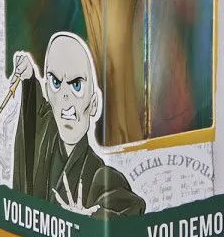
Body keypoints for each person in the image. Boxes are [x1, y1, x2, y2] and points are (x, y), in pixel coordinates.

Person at [10, 32, 145, 217]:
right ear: (48, 92)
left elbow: (130, 210)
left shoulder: (100, 176)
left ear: (94, 104)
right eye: (56, 83)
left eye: (76, 86)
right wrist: (29, 79)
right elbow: (35, 118)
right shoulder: (45, 141)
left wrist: (89, 220)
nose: (65, 96)